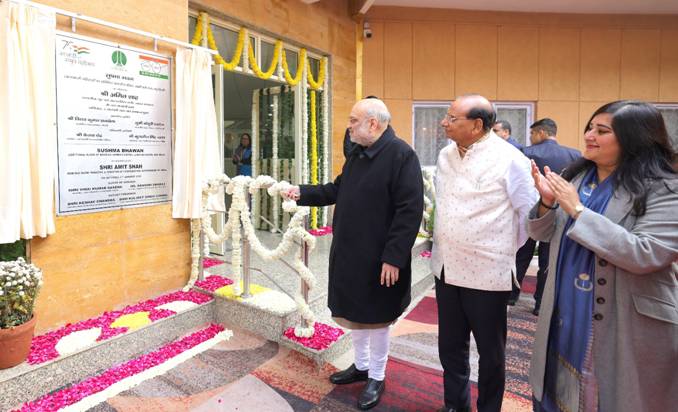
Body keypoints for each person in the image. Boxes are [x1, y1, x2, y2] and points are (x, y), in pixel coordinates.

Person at [528, 101, 678, 412]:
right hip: (564, 304)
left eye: (602, 130)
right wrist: (547, 202)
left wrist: (577, 210)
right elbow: (542, 234)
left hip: (626, 318)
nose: (589, 135)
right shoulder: (577, 177)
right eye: (590, 128)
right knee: (555, 385)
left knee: (613, 396)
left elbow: (645, 253)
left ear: (634, 138)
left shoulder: (664, 188)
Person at [285, 98, 423, 410]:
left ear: (373, 124)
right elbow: (336, 190)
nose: (348, 127)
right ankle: (361, 366)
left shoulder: (401, 155)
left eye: (353, 120)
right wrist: (300, 192)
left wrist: (394, 257)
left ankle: (377, 375)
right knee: (357, 313)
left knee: (378, 317)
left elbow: (409, 211)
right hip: (351, 253)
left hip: (381, 257)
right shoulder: (359, 154)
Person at [432, 94, 537, 412]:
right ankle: (455, 405)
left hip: (488, 273)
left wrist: (499, 250)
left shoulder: (510, 159)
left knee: (491, 353)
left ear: (477, 125)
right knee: (450, 347)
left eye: (452, 118)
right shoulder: (445, 155)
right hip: (446, 268)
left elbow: (529, 216)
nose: (444, 123)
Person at [509, 118, 581, 314]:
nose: (531, 138)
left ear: (541, 133)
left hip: (532, 210)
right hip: (561, 211)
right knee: (548, 261)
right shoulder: (575, 155)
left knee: (522, 254)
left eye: (532, 134)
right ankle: (541, 303)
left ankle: (512, 295)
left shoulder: (526, 153)